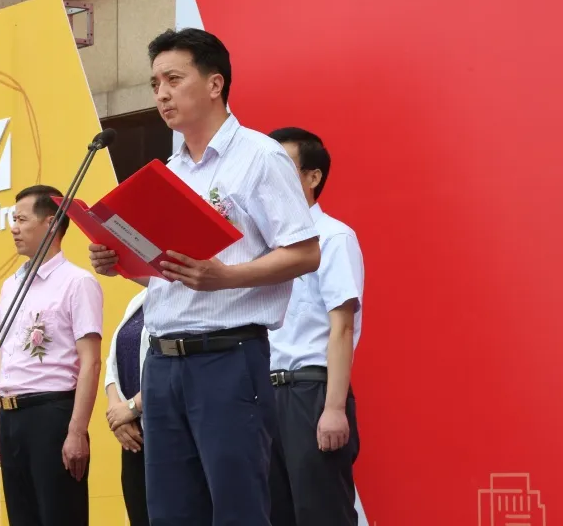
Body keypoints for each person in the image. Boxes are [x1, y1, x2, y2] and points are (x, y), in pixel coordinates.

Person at [88, 28, 321, 526]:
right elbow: (172, 276)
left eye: (174, 79)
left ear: (215, 84)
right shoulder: (169, 171)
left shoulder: (260, 157)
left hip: (227, 360)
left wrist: (225, 276)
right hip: (161, 364)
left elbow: (305, 253)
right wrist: (122, 262)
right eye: (155, 84)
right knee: (170, 513)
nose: (162, 94)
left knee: (237, 509)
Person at [267, 127, 364, 526]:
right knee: (272, 513)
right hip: (263, 395)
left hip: (309, 392)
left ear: (312, 176)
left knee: (320, 513)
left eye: (283, 167)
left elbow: (342, 328)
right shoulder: (264, 245)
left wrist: (334, 408)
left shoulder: (334, 238)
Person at [0, 185, 103, 526]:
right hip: (11, 418)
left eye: (21, 219)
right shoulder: (10, 286)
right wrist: (0, 428)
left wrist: (77, 431)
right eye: (13, 220)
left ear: (52, 222)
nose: (13, 228)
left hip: (52, 415)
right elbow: (7, 359)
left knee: (60, 515)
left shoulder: (77, 282)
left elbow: (90, 362)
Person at [103, 288, 149, 526]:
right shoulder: (138, 299)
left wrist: (133, 407)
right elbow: (112, 363)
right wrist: (117, 414)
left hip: (165, 427)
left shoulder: (183, 300)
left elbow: (171, 364)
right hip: (133, 434)